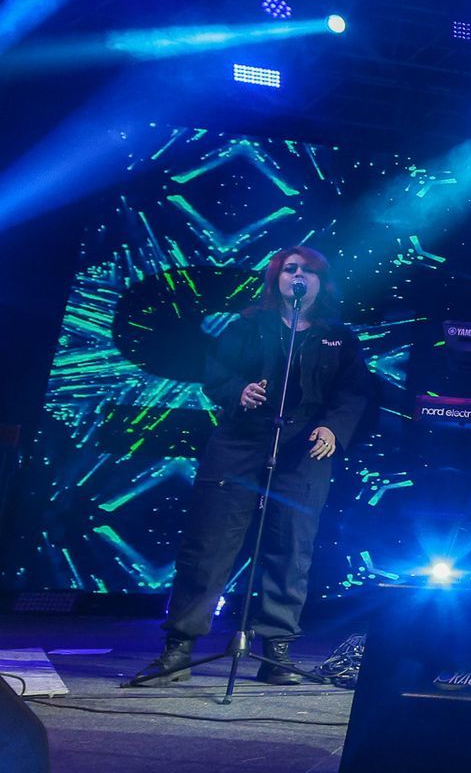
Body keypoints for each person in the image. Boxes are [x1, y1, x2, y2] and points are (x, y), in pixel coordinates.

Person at [133, 246, 373, 686]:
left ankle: (277, 649)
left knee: (292, 547)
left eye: (308, 271)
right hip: (241, 442)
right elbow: (216, 375)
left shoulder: (339, 337)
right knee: (209, 544)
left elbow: (353, 392)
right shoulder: (247, 326)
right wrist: (239, 391)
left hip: (305, 448)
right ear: (276, 278)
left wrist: (333, 428)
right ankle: (179, 646)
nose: (298, 276)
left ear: (321, 282)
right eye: (290, 269)